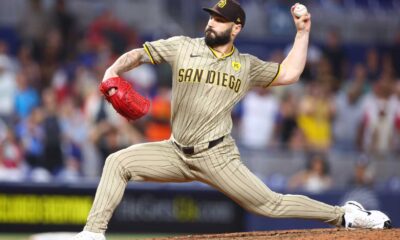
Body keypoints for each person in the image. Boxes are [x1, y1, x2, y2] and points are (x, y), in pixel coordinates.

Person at [73, 1, 391, 239]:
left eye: (220, 19)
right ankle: (92, 234)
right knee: (117, 162)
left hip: (217, 156)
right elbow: (139, 54)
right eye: (211, 16)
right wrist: (112, 70)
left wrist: (303, 32)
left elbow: (290, 73)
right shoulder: (183, 46)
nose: (212, 22)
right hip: (175, 150)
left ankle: (345, 215)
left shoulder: (247, 65)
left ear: (236, 28)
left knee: (270, 204)